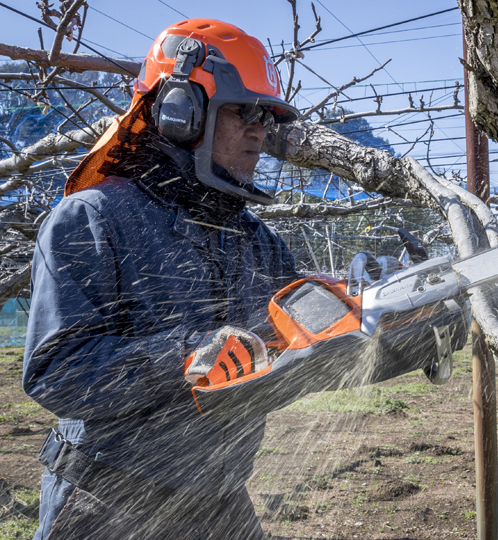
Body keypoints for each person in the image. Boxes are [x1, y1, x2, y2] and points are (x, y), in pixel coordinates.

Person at [23, 19, 300, 540]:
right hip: (112, 498)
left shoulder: (252, 237)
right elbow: (55, 373)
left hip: (219, 494)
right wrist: (184, 358)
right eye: (243, 111)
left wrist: (372, 316)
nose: (259, 130)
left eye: (265, 116)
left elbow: (296, 324)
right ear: (180, 112)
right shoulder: (95, 218)